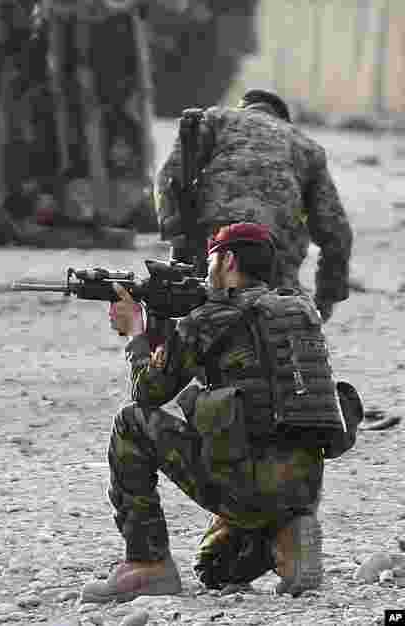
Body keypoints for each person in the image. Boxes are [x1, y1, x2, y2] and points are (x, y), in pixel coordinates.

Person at [81, 222, 350, 604]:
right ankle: (287, 538)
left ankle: (147, 563)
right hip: (303, 485)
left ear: (227, 260)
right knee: (215, 570)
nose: (205, 273)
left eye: (209, 261)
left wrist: (137, 335)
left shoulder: (209, 319)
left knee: (131, 422)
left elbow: (148, 391)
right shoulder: (299, 310)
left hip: (249, 486)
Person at [155, 89, 354, 322]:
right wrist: (325, 300)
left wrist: (178, 241)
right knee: (283, 322)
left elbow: (169, 178)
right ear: (282, 120)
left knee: (188, 316)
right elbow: (336, 232)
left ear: (243, 109)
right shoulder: (306, 145)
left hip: (212, 242)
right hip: (274, 252)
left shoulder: (216, 118)